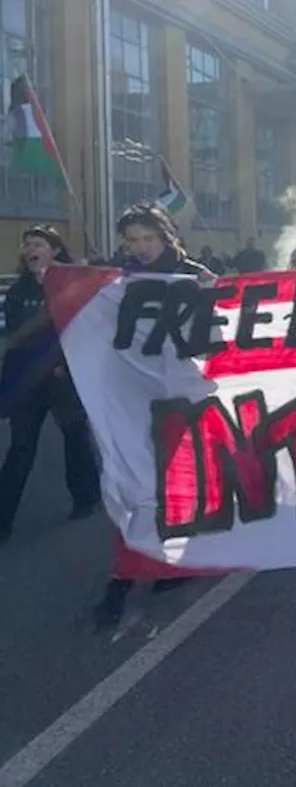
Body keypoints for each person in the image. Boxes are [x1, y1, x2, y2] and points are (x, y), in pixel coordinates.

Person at [95, 204, 214, 630]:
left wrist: (212, 292)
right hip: (130, 394)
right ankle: (123, 574)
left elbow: (217, 332)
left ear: (165, 236)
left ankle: (174, 561)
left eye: (148, 238)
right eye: (132, 240)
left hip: (182, 393)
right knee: (128, 479)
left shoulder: (194, 275)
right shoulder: (117, 280)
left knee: (177, 480)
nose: (141, 248)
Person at [0, 225, 101, 545]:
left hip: (63, 379)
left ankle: (86, 498)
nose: (31, 248)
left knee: (75, 437)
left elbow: (83, 329)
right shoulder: (19, 290)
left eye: (38, 243)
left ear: (54, 251)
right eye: (27, 243)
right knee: (20, 448)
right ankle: (3, 519)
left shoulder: (72, 286)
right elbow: (15, 335)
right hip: (28, 381)